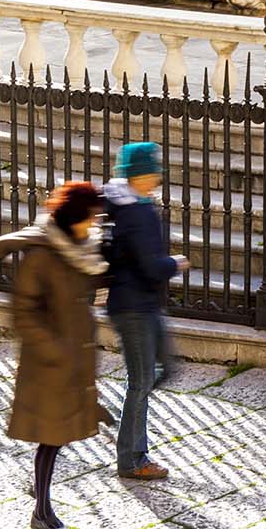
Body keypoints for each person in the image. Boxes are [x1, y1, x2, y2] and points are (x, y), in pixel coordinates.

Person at [0, 181, 106, 529]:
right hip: (49, 364)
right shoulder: (42, 256)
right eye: (90, 217)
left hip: (72, 359)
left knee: (58, 434)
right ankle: (42, 511)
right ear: (74, 217)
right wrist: (56, 350)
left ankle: (40, 493)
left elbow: (86, 289)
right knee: (52, 437)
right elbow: (23, 313)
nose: (94, 223)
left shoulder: (80, 249)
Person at [102, 142, 188, 482]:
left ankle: (127, 428)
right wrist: (175, 263)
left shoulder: (126, 205)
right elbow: (150, 266)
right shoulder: (135, 212)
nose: (157, 177)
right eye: (153, 171)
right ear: (140, 175)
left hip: (142, 305)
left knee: (164, 368)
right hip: (134, 307)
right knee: (141, 382)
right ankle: (132, 458)